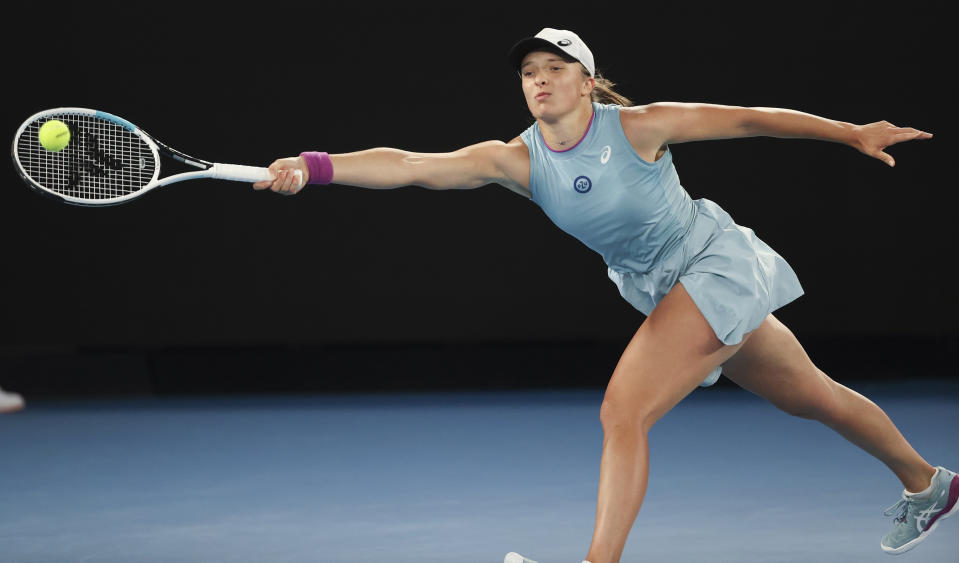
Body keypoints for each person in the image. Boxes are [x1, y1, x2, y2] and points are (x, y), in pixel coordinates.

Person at [252, 27, 955, 563]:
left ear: (587, 82)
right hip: (664, 287)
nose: (539, 80)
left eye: (555, 68)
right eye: (529, 72)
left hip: (712, 263)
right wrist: (313, 167)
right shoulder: (516, 160)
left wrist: (849, 133)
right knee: (814, 395)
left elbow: (747, 116)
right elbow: (408, 166)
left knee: (623, 410)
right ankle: (929, 483)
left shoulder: (640, 125)